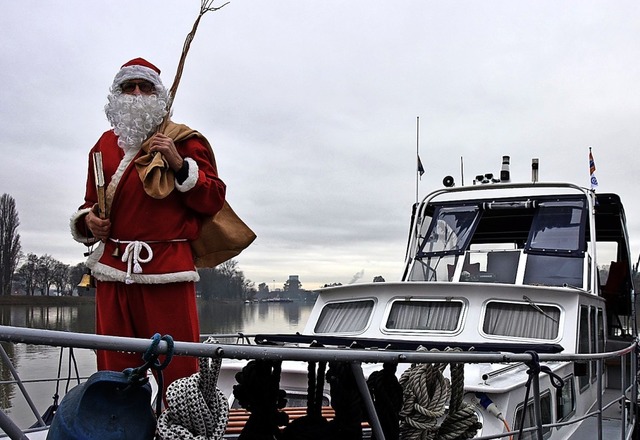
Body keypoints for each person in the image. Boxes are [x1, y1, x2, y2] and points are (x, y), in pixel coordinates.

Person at [71, 57, 226, 389]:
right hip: (112, 273)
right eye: (129, 87)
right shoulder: (102, 146)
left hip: (167, 270)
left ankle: (181, 434)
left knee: (180, 375)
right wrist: (90, 222)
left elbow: (213, 199)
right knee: (113, 373)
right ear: (117, 95)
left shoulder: (184, 141)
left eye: (146, 87)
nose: (137, 94)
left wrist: (178, 163)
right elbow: (90, 205)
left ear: (160, 96)